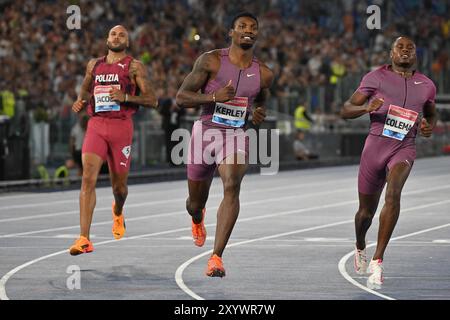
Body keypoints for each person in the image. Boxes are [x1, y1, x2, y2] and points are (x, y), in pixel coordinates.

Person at [176, 12, 274, 277]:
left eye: (253, 27)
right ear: (231, 32)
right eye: (242, 26)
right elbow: (181, 97)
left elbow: (262, 99)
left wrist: (258, 113)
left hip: (235, 134)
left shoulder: (263, 73)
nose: (248, 30)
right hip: (205, 132)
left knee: (232, 185)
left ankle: (216, 257)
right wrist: (213, 96)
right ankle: (197, 218)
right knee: (195, 202)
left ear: (257, 34)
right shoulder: (210, 60)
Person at [340, 36, 437, 288]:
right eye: (400, 47)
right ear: (391, 53)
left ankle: (378, 260)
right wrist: (365, 109)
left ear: (416, 54)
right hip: (375, 147)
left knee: (393, 195)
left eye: (410, 48)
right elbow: (345, 109)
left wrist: (428, 126)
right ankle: (360, 244)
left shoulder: (426, 84)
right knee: (365, 214)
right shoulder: (375, 78)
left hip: (404, 147)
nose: (405, 51)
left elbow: (430, 114)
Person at [69, 25, 158, 255]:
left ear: (127, 42)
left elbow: (152, 100)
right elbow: (86, 89)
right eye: (112, 34)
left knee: (119, 187)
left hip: (121, 128)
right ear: (107, 39)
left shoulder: (134, 66)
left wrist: (126, 96)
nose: (116, 37)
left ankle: (118, 211)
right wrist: (80, 100)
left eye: (121, 35)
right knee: (88, 178)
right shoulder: (94, 64)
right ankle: (84, 238)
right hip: (97, 125)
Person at [69, 110, 89, 176]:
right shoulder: (75, 129)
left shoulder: (90, 128)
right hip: (78, 153)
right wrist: (73, 157)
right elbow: (72, 143)